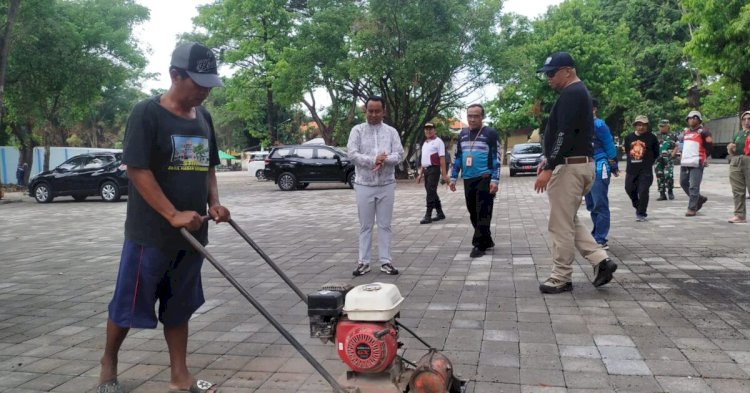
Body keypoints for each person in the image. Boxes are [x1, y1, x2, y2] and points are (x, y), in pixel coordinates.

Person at [97, 42, 228, 393]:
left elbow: (208, 166)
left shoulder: (204, 118)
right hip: (150, 236)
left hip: (192, 235)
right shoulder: (147, 113)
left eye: (208, 84)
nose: (204, 91)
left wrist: (214, 203)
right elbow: (137, 170)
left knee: (179, 306)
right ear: (174, 75)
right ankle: (108, 368)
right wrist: (171, 214)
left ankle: (180, 377)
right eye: (198, 83)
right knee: (128, 303)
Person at [533, 51, 617, 294]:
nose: (548, 78)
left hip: (570, 167)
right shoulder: (576, 93)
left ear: (568, 71)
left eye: (551, 73)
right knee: (567, 219)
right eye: (546, 74)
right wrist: (549, 159)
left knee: (559, 225)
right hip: (577, 164)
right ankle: (601, 261)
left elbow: (564, 134)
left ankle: (561, 277)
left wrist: (550, 166)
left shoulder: (572, 93)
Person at [347, 95, 404, 276]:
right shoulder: (357, 130)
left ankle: (386, 261)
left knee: (385, 225)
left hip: (386, 184)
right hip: (364, 184)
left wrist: (385, 159)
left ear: (383, 111)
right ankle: (363, 262)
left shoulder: (391, 132)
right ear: (366, 111)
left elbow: (399, 154)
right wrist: (373, 159)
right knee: (365, 225)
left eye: (377, 111)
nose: (373, 114)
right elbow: (352, 154)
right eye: (370, 111)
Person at [449, 104, 500, 258]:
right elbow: (458, 157)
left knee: (483, 210)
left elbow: (496, 156)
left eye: (476, 116)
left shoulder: (490, 133)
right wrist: (453, 177)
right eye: (469, 116)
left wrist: (495, 179)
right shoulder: (462, 134)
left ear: (482, 117)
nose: (472, 119)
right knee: (472, 211)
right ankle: (487, 239)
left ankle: (478, 244)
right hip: (468, 178)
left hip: (485, 177)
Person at [584, 99, 618, 249]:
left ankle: (601, 238)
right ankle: (596, 233)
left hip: (600, 166)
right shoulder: (580, 125)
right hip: (586, 167)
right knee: (591, 204)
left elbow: (609, 146)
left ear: (594, 109)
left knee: (600, 203)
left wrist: (614, 164)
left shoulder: (599, 125)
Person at [624, 115, 660, 221]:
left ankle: (641, 213)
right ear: (635, 126)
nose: (641, 127)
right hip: (631, 169)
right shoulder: (629, 138)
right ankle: (638, 206)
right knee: (629, 189)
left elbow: (656, 152)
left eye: (644, 125)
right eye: (639, 125)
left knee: (643, 190)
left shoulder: (652, 138)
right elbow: (627, 150)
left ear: (647, 126)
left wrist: (649, 162)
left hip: (645, 170)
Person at [679, 110, 712, 217]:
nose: (692, 120)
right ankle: (699, 198)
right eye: (690, 118)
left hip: (697, 162)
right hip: (685, 162)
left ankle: (692, 208)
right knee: (683, 182)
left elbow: (709, 146)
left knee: (694, 186)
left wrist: (705, 158)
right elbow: (681, 145)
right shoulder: (685, 132)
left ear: (699, 120)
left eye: (695, 118)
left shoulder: (704, 132)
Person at [416, 122, 450, 224]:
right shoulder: (425, 143)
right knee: (431, 191)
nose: (428, 130)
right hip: (426, 170)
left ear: (434, 130)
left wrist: (444, 174)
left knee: (430, 191)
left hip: (434, 169)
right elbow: (423, 160)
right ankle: (440, 213)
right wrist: (420, 174)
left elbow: (442, 158)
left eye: (430, 128)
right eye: (426, 129)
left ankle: (428, 215)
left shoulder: (438, 142)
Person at [726, 110, 750, 223]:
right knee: (737, 190)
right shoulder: (738, 134)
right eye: (744, 119)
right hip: (736, 160)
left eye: (749, 119)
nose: (746, 121)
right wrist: (731, 148)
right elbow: (733, 147)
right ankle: (739, 215)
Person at [655, 119, 678, 201]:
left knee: (669, 175)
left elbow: (677, 146)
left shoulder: (673, 135)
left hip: (668, 158)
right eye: (660, 126)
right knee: (659, 175)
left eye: (663, 126)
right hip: (658, 159)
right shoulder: (656, 135)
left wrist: (673, 154)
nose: (661, 128)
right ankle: (662, 194)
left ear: (667, 126)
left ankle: (670, 191)